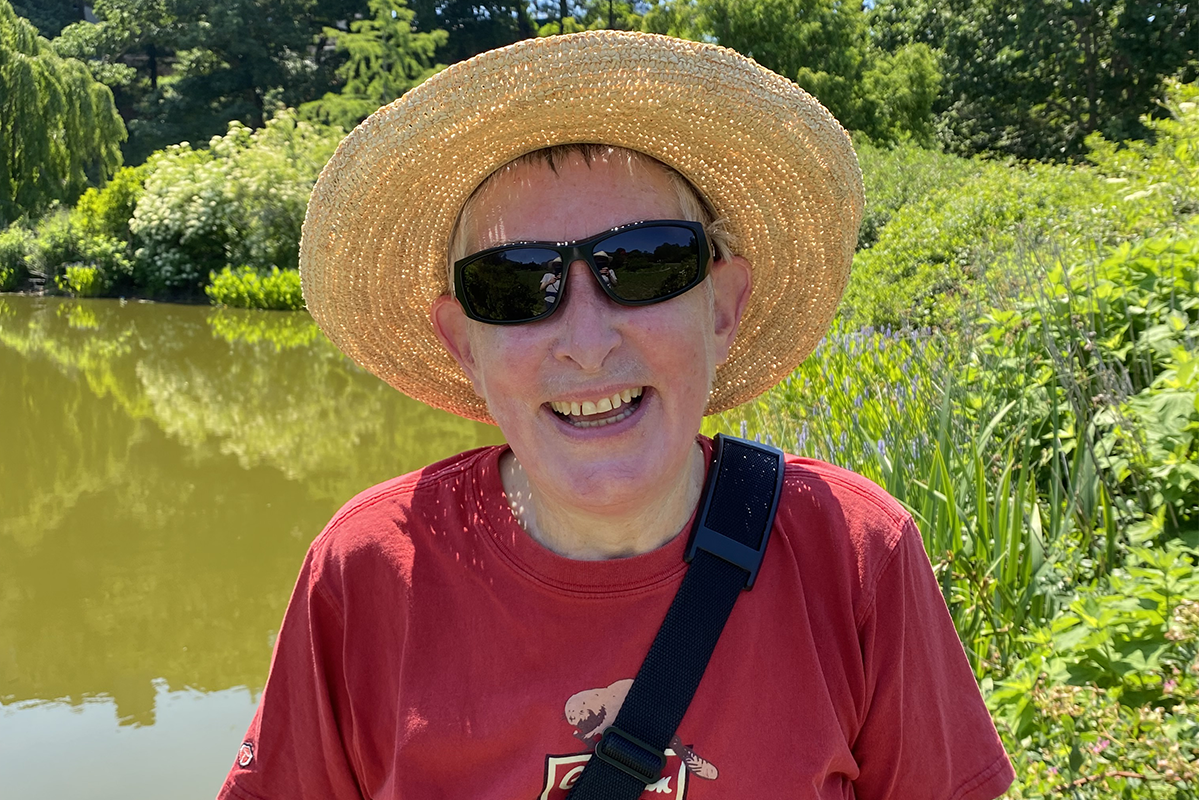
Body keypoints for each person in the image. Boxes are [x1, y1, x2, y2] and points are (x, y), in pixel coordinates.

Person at [219, 31, 1016, 800]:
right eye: (514, 283)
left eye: (646, 263)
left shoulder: (855, 555)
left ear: (724, 308)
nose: (588, 344)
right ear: (463, 343)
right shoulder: (365, 574)